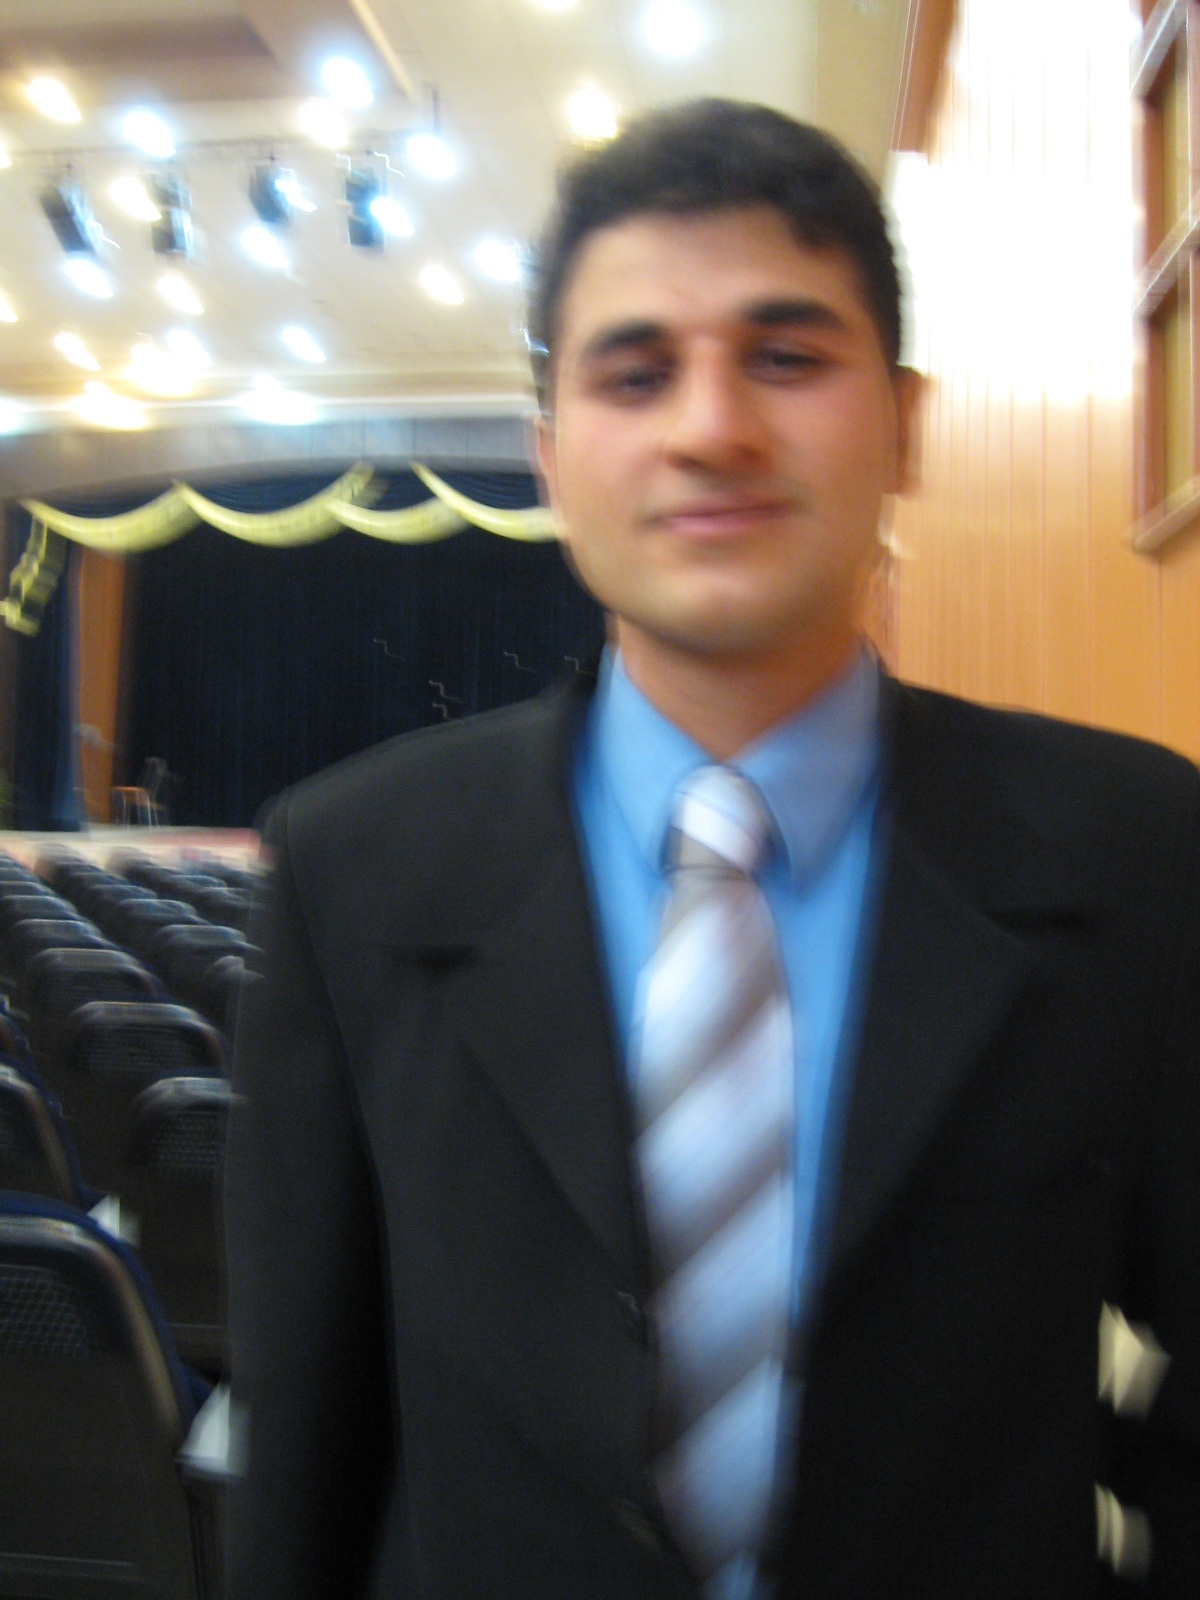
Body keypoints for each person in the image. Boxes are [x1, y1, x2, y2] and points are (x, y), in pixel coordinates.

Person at [225, 99, 1200, 1599]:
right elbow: (305, 1443)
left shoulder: (1138, 849)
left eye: (787, 357)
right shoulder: (353, 868)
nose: (710, 428)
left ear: (906, 423)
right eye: (636, 374)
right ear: (552, 461)